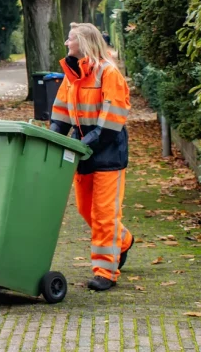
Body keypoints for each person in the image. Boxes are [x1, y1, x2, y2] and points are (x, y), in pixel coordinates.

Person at [49, 22, 134, 291]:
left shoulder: (109, 74)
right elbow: (61, 112)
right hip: (83, 149)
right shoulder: (72, 74)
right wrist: (55, 139)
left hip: (108, 151)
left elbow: (111, 122)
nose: (66, 43)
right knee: (87, 210)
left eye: (70, 38)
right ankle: (124, 240)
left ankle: (105, 272)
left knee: (104, 215)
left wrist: (83, 144)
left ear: (84, 42)